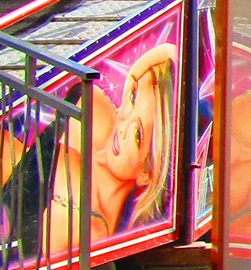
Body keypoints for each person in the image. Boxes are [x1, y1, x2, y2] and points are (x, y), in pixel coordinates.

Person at [45, 44, 178, 251]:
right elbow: (168, 51)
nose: (123, 123)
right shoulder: (95, 109)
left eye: (137, 135)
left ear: (146, 174)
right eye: (133, 98)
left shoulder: (91, 231)